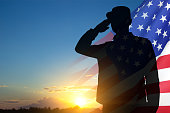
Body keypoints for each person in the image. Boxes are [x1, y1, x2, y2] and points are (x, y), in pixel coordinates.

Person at [75, 6, 160, 113]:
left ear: (128, 21)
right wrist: (151, 108)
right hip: (115, 107)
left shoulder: (106, 49)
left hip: (130, 107)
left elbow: (152, 78)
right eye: (113, 19)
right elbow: (153, 80)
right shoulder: (142, 44)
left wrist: (96, 30)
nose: (113, 22)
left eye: (116, 18)